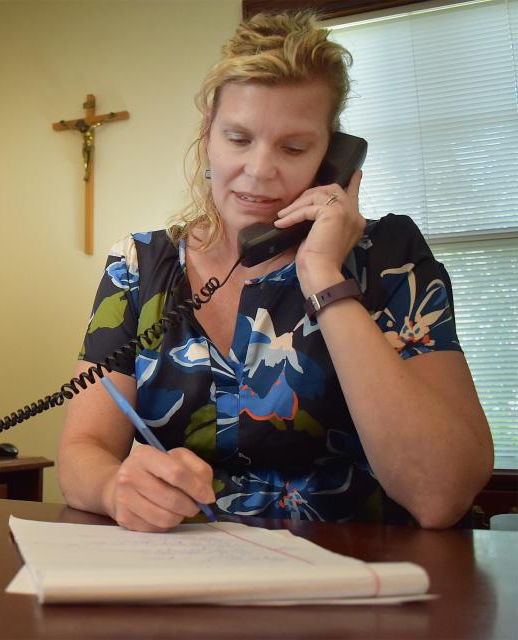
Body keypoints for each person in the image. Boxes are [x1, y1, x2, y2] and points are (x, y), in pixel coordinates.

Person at [57, 11, 493, 532]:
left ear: (333, 157)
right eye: (238, 139)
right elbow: (84, 449)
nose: (260, 171)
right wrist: (113, 488)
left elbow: (440, 494)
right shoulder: (138, 267)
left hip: (366, 579)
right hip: (194, 575)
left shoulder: (391, 258)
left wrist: (323, 274)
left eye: (293, 147)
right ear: (208, 136)